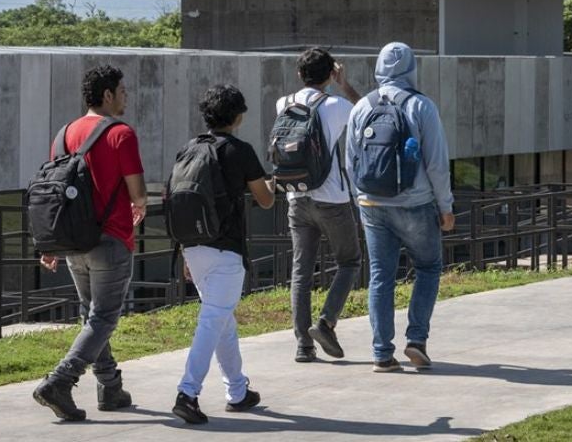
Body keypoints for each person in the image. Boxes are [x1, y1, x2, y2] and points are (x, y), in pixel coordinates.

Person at [33, 65, 148, 422]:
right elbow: (139, 192)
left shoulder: (63, 134)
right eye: (122, 90)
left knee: (91, 316)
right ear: (108, 95)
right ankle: (60, 380)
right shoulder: (121, 134)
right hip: (111, 240)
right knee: (103, 318)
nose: (126, 96)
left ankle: (110, 386)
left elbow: (56, 194)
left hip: (73, 243)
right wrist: (139, 207)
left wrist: (49, 244)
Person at [346, 42, 454, 373]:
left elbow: (351, 161)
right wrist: (445, 206)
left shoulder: (362, 106)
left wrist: (359, 200)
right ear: (411, 68)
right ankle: (416, 341)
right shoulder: (422, 106)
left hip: (372, 203)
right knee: (428, 267)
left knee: (381, 276)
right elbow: (436, 163)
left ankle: (381, 352)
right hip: (415, 202)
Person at [173, 85, 276, 424]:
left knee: (223, 322)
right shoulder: (239, 150)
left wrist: (187, 255)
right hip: (225, 250)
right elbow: (265, 200)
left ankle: (237, 390)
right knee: (213, 320)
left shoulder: (189, 149)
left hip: (193, 247)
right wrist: (272, 183)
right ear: (238, 116)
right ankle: (187, 393)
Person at [275, 48, 361, 363]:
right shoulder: (336, 105)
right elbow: (364, 109)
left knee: (302, 272)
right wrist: (343, 83)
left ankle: (303, 345)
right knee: (350, 261)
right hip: (332, 199)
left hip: (296, 196)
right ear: (329, 74)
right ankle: (325, 322)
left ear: (300, 74)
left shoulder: (283, 103)